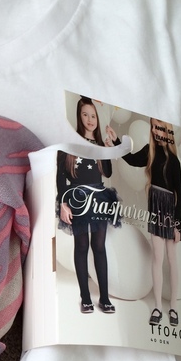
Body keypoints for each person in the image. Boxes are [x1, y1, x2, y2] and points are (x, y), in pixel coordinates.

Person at [106, 118, 181, 327]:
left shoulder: (173, 160)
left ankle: (173, 308)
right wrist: (116, 142)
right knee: (157, 258)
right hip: (156, 206)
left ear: (167, 131)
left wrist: (177, 225)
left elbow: (179, 193)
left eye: (161, 128)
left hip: (170, 208)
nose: (157, 131)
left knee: (172, 259)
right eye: (154, 128)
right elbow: (131, 159)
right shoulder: (150, 151)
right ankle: (157, 306)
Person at [57, 97, 119, 314]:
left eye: (93, 115)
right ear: (79, 116)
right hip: (77, 198)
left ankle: (104, 297)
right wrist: (63, 203)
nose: (90, 119)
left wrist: (109, 150)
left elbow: (107, 173)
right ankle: (85, 297)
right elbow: (60, 177)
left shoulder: (100, 144)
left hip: (99, 198)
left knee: (99, 246)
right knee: (81, 246)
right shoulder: (70, 143)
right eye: (85, 114)